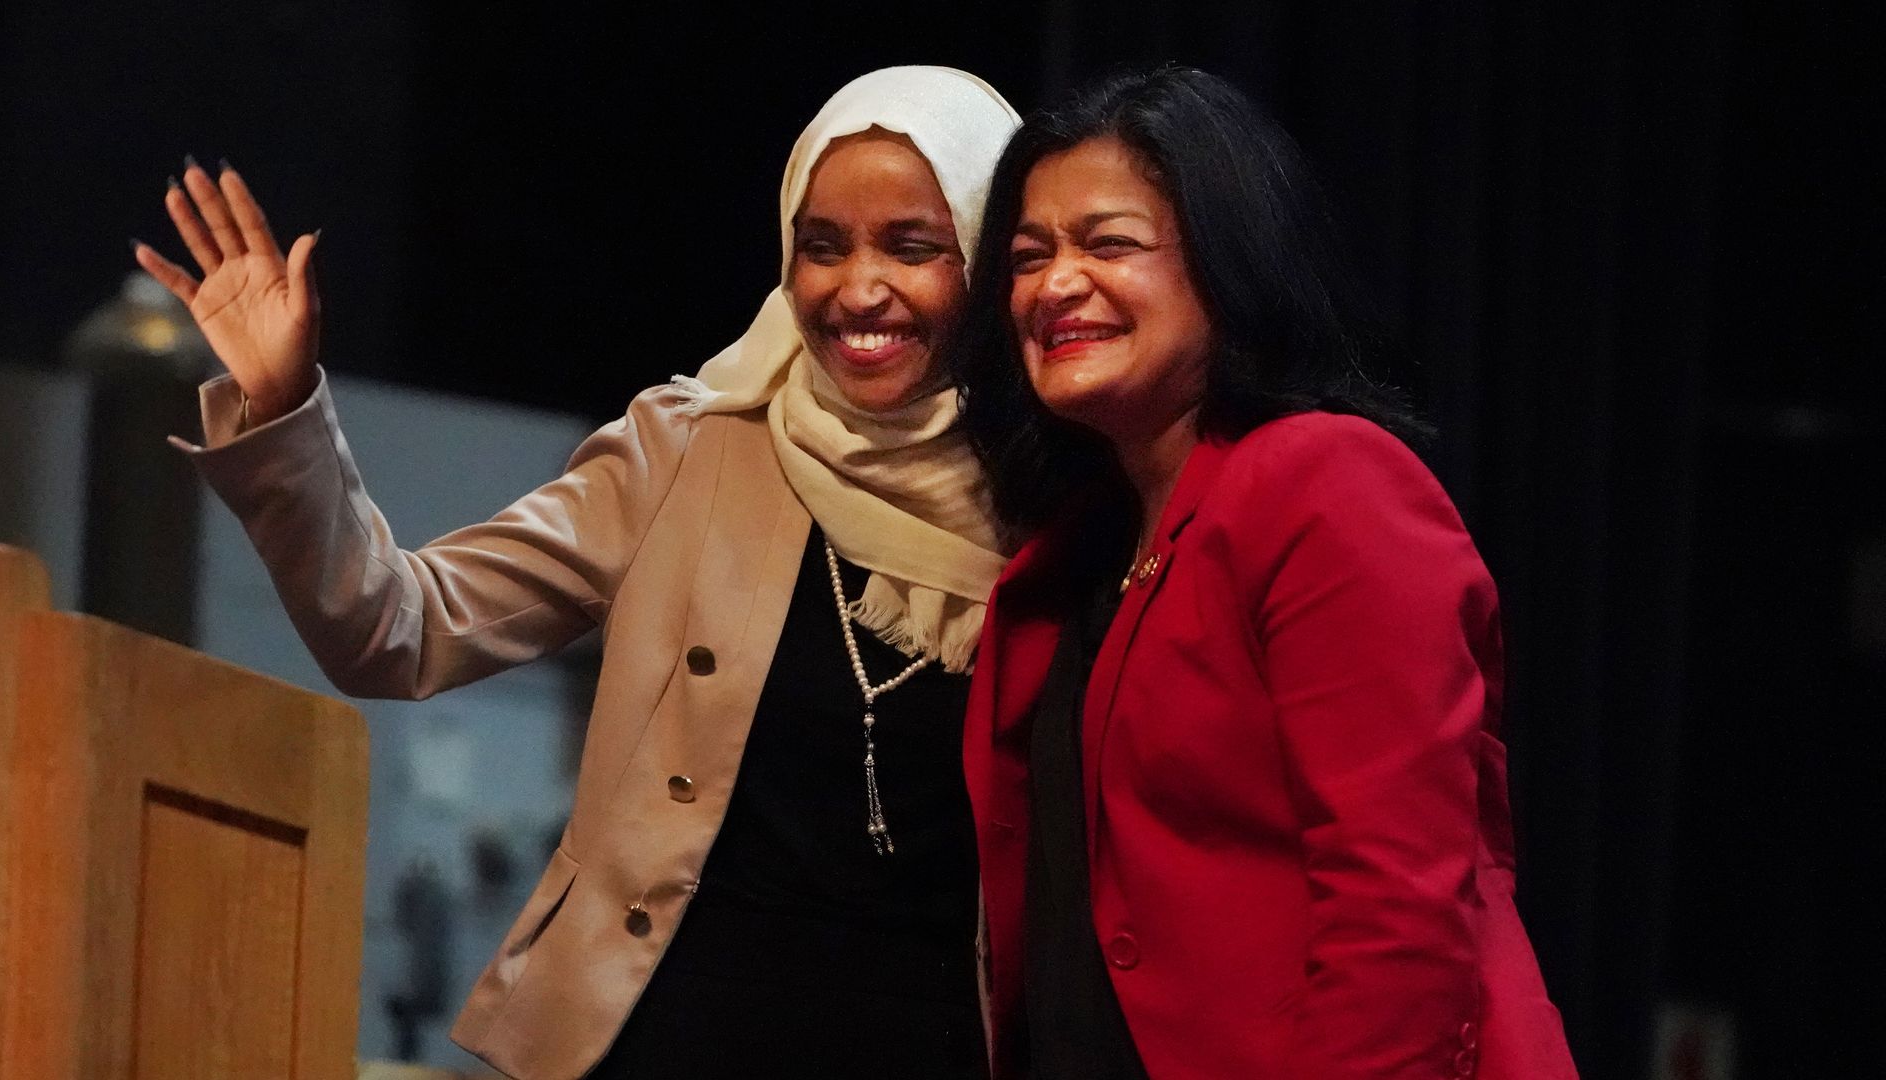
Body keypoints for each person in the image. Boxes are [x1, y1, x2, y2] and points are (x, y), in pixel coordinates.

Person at [138, 66, 1018, 1080]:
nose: (858, 288)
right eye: (821, 247)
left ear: (992, 263)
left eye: (912, 246)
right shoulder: (688, 448)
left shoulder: (1057, 498)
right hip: (662, 1046)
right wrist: (286, 404)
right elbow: (398, 626)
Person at [954, 66, 1577, 1079]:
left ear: (1229, 259)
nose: (1055, 283)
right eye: (1029, 256)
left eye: (1108, 242)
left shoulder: (1327, 482)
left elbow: (1398, 910)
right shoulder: (1077, 549)